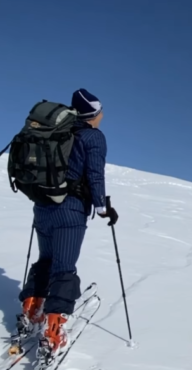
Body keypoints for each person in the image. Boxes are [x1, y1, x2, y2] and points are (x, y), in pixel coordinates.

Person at [17, 88, 119, 355]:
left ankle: (31, 308)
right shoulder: (92, 137)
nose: (102, 115)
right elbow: (95, 173)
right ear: (93, 114)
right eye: (100, 111)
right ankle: (54, 330)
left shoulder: (55, 132)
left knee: (45, 261)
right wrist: (102, 207)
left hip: (42, 206)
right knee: (64, 268)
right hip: (70, 211)